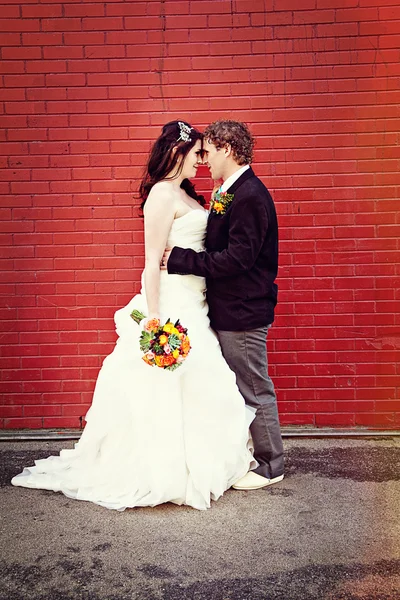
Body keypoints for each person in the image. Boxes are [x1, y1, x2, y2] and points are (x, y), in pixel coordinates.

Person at [11, 120, 255, 511]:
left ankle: (200, 462)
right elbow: (150, 265)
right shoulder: (161, 195)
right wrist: (154, 319)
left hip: (197, 302)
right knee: (167, 388)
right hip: (173, 306)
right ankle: (164, 468)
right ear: (178, 153)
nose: (202, 160)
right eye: (196, 154)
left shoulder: (188, 194)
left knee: (202, 384)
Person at [163, 120, 284, 490]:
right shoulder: (231, 190)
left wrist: (180, 259)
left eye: (210, 151)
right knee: (242, 386)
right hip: (230, 309)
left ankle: (271, 465)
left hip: (244, 313)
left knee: (253, 387)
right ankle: (254, 454)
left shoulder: (248, 195)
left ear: (228, 150)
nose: (205, 159)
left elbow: (237, 259)